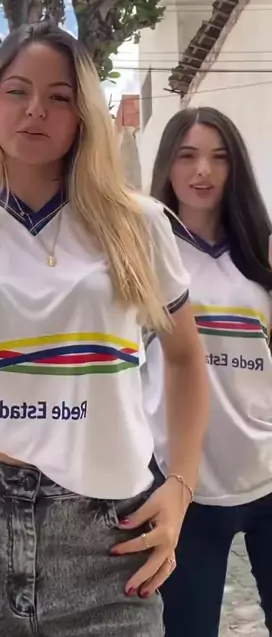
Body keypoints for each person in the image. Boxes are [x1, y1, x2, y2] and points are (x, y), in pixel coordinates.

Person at [0, 21, 209, 637]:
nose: (36, 110)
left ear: (84, 116)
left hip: (110, 540)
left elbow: (186, 357)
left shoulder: (139, 224)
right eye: (17, 91)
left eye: (60, 96)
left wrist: (182, 487)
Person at [142, 107, 272, 637]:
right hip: (180, 487)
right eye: (188, 156)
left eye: (219, 158)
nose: (203, 171)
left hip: (265, 473)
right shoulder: (145, 255)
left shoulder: (261, 252)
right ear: (167, 165)